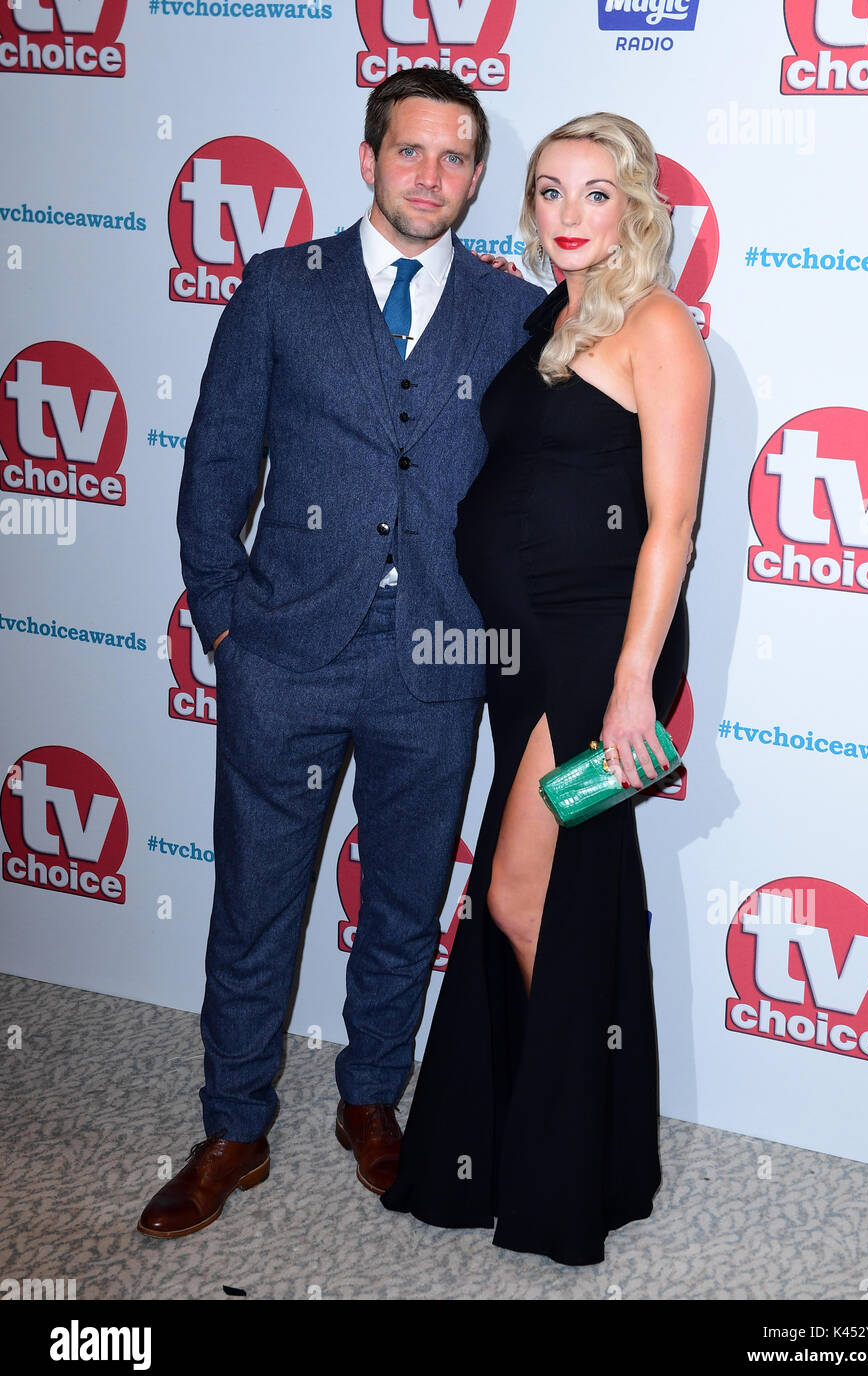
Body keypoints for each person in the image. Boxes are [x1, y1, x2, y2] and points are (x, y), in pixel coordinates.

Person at [137, 68, 545, 1239]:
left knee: (407, 899)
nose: (431, 176)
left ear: (475, 176)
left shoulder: (509, 305)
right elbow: (216, 466)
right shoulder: (279, 289)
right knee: (256, 902)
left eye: (456, 158)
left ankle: (372, 1099)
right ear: (367, 158)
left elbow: (530, 486)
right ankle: (232, 1128)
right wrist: (224, 622)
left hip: (436, 660)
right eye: (411, 152)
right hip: (286, 656)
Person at [380, 113, 711, 1266]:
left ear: (634, 209)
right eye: (549, 192)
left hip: (592, 663)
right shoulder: (547, 320)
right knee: (561, 895)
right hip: (519, 658)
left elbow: (668, 527)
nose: (568, 216)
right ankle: (560, 1143)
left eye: (594, 195)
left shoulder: (659, 329)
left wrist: (632, 696)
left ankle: (561, 1148)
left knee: (521, 896)